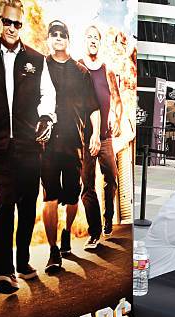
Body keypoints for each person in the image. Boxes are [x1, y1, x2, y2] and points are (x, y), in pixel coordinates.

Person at [0, 0, 57, 294]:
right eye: (7, 22)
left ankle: (23, 260)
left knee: (28, 205)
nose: (12, 28)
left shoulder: (36, 59)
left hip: (30, 145)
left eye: (17, 24)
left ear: (22, 25)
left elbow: (48, 95)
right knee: (4, 204)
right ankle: (3, 271)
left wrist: (47, 117)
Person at [41, 20, 99, 270]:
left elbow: (93, 107)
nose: (57, 38)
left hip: (76, 143)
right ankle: (53, 250)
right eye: (53, 34)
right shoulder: (41, 67)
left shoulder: (81, 71)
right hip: (47, 145)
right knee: (50, 197)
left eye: (62, 34)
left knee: (73, 196)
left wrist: (95, 134)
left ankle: (66, 232)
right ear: (48, 39)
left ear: (68, 38)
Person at [80, 23, 127, 249]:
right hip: (83, 139)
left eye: (95, 38)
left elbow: (117, 100)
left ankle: (108, 219)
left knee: (112, 179)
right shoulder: (78, 68)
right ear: (84, 40)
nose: (92, 40)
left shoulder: (106, 70)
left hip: (105, 136)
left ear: (99, 42)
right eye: (88, 37)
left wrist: (116, 119)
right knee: (87, 186)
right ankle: (94, 231)